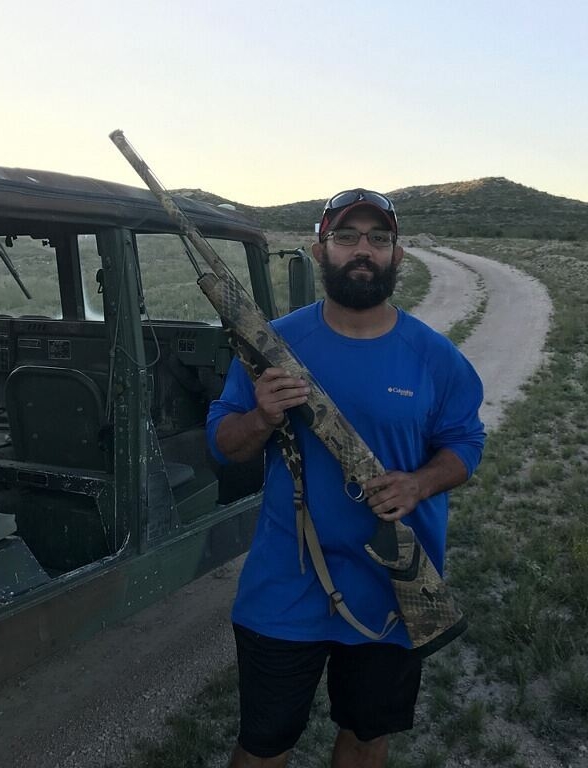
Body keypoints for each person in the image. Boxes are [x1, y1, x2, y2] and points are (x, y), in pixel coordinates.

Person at [207, 189, 485, 768]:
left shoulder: (436, 358)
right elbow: (225, 445)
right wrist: (262, 416)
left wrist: (419, 484)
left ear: (398, 255)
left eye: (378, 239)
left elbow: (464, 444)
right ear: (319, 250)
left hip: (391, 587)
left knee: (365, 738)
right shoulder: (272, 348)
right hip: (285, 586)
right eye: (347, 237)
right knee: (263, 745)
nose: (363, 250)